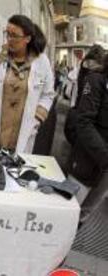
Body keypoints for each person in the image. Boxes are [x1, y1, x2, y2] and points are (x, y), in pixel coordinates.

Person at [0, 14, 55, 153]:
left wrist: (37, 118)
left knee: (15, 169)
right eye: (8, 34)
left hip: (22, 130)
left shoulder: (41, 62)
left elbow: (48, 94)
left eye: (15, 35)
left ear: (27, 39)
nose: (9, 39)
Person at [70, 54, 108, 220]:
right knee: (68, 209)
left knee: (85, 214)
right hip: (86, 161)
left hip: (105, 172)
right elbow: (84, 122)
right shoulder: (96, 81)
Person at [64, 44, 105, 146]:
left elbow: (71, 77)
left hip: (77, 106)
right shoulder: (96, 74)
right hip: (86, 112)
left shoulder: (82, 66)